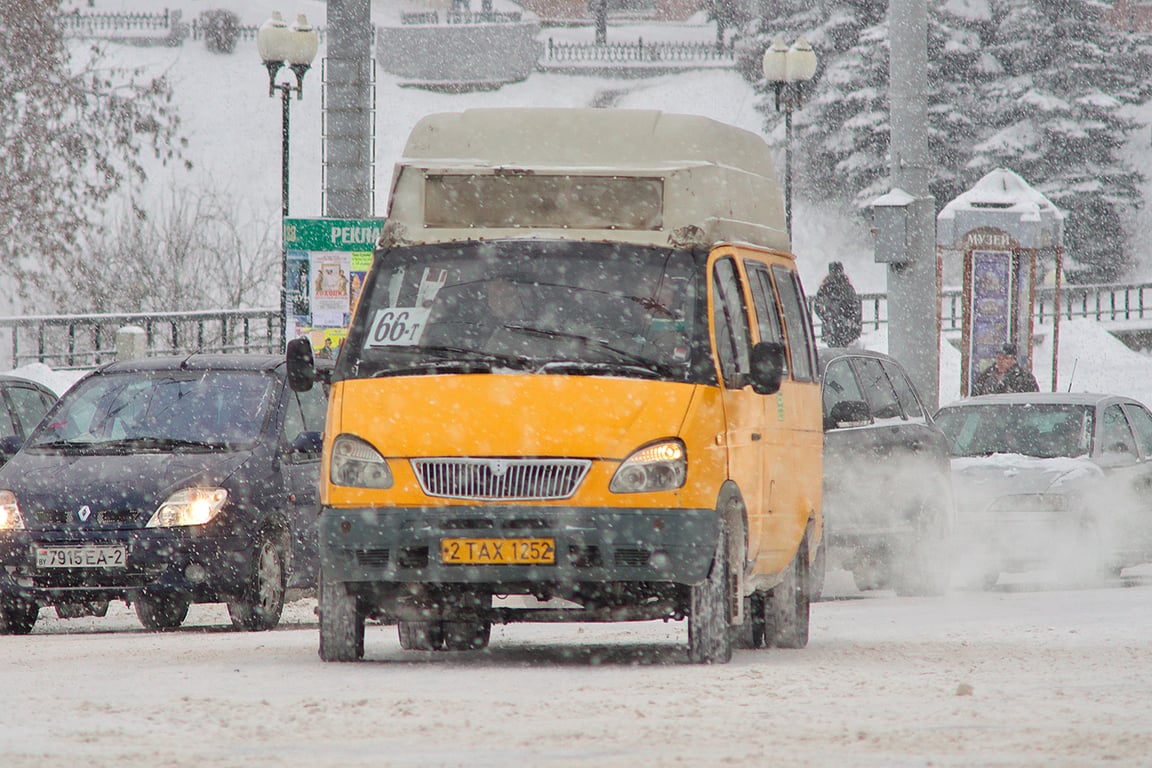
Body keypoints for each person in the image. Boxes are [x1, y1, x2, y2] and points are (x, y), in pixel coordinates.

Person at [814, 261, 862, 348]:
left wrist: (826, 318)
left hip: (835, 327)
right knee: (843, 350)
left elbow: (818, 305)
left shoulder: (826, 287)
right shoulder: (846, 287)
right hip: (842, 327)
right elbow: (856, 307)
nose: (836, 274)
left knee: (835, 350)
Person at [971, 342, 1039, 395]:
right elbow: (975, 397)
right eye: (998, 358)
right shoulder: (986, 376)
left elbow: (1032, 401)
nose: (1001, 362)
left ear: (1014, 360)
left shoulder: (1025, 378)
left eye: (1006, 358)